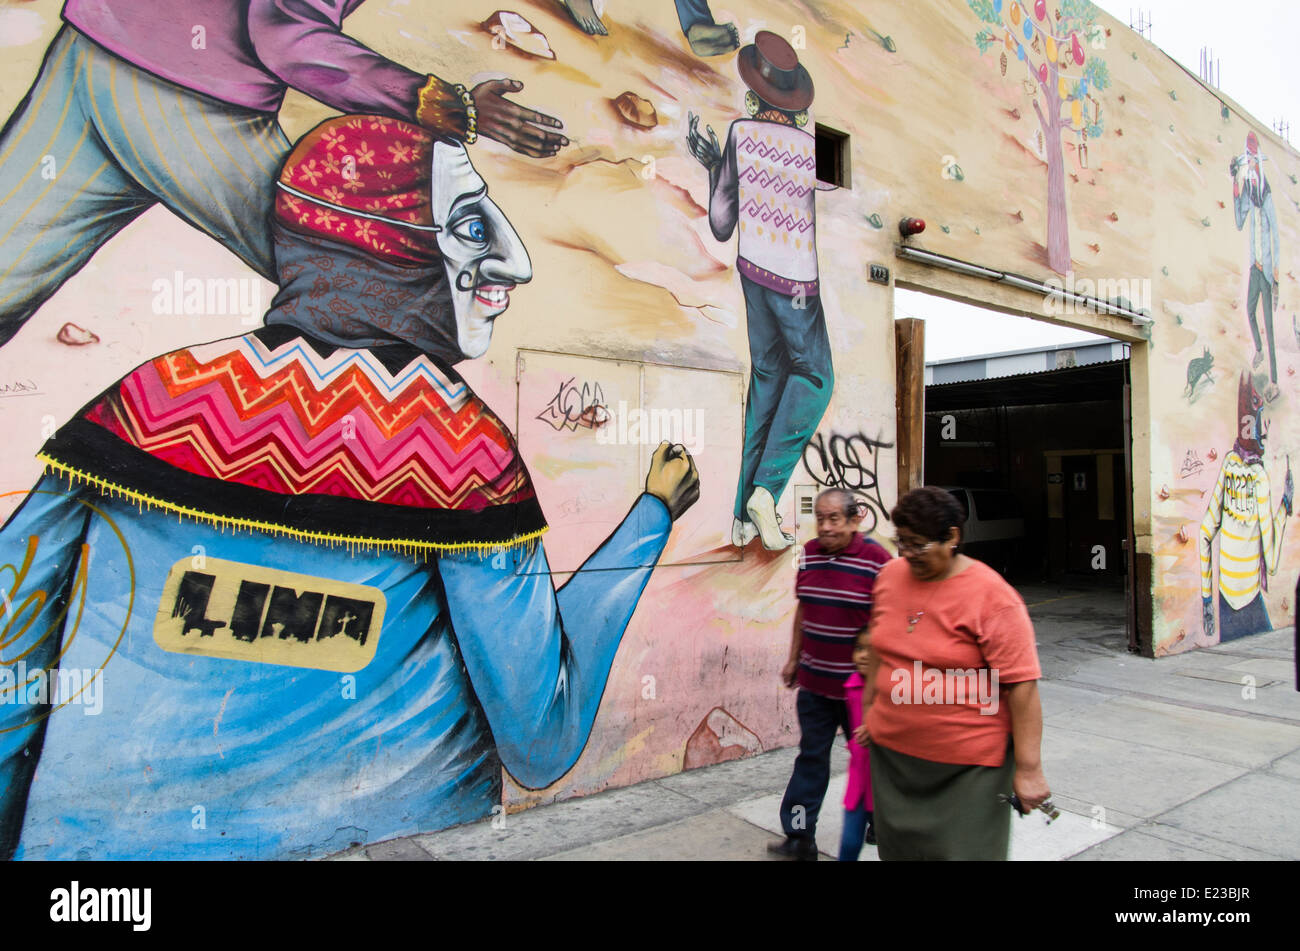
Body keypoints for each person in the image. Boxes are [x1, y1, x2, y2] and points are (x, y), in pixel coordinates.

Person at [0, 113, 699, 860]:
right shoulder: (459, 453)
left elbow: (10, 678)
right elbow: (541, 740)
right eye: (470, 226)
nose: (515, 262)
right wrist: (650, 518)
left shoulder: (141, 405)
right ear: (381, 247)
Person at [0, 0, 568, 346]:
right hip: (194, 103)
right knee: (378, 290)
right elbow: (289, 37)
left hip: (86, 55)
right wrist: (446, 104)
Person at [687, 31, 837, 551]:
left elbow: (723, 222)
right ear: (793, 103)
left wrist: (713, 166)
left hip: (753, 274)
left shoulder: (740, 135)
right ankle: (766, 495)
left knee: (768, 385)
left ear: (753, 95)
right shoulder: (809, 149)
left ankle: (742, 520)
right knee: (816, 378)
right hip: (798, 285)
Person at [860, 486, 1049, 861]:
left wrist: (1029, 770)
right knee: (899, 854)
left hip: (969, 770)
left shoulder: (993, 597)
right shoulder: (889, 577)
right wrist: (872, 713)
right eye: (902, 542)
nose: (907, 553)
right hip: (895, 763)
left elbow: (1022, 687)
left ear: (952, 537)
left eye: (918, 544)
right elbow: (881, 651)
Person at [767, 488, 889, 861]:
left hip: (860, 690)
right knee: (811, 759)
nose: (825, 526)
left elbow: (889, 619)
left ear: (855, 521)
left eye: (834, 518)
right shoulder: (809, 554)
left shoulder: (877, 559)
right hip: (816, 683)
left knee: (869, 760)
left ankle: (878, 821)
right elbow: (805, 610)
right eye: (820, 518)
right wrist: (793, 659)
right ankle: (799, 836)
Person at [1200, 373, 1292, 641]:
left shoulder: (1228, 464)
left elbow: (1205, 532)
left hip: (1224, 603)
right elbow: (1272, 563)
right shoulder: (1259, 477)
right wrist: (1285, 506)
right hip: (1249, 603)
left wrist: (1207, 599)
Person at [1232, 131, 1281, 402]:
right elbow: (1239, 220)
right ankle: (1258, 348)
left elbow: (1274, 233)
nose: (1249, 163)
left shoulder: (1267, 195)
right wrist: (1235, 185)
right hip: (1254, 267)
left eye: (1252, 158)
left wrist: (1276, 271)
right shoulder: (1251, 193)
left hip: (1267, 270)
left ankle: (1274, 381)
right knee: (1250, 310)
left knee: (1270, 324)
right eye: (1247, 158)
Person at [838, 628, 875, 862]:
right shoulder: (850, 687)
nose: (863, 655)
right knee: (850, 841)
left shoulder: (894, 690)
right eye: (859, 649)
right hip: (860, 776)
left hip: (886, 781)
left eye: (871, 650)